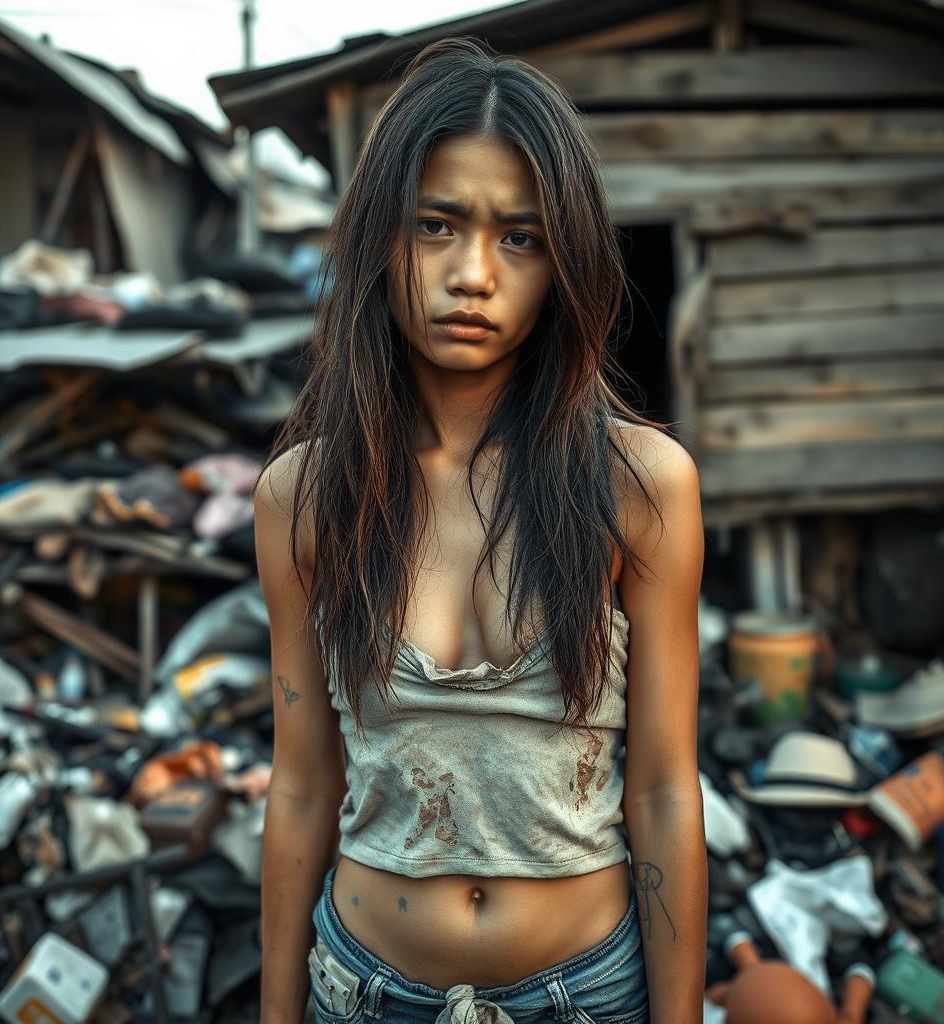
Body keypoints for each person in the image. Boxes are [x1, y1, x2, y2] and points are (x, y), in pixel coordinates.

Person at [254, 36, 706, 1024]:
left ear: (566, 261)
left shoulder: (640, 484)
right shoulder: (307, 493)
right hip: (365, 991)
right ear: (383, 237)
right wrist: (277, 1012)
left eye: (521, 237)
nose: (471, 273)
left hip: (583, 993)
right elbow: (299, 784)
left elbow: (666, 789)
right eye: (436, 225)